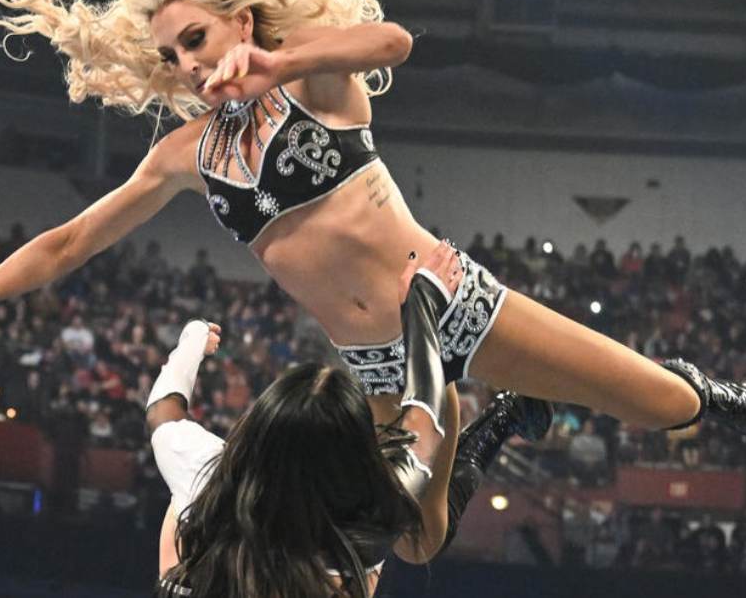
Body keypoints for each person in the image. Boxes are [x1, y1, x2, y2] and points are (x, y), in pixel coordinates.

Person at [0, 0, 746, 541]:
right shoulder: (186, 154)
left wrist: (280, 60)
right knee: (412, 542)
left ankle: (698, 386)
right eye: (172, 56)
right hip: (375, 361)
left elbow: (393, 43)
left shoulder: (310, 85)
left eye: (197, 39)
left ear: (241, 22)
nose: (189, 64)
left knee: (665, 409)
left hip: (450, 301)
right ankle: (492, 426)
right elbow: (68, 242)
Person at [145, 244, 533, 596]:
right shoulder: (371, 514)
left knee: (188, 511)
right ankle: (505, 414)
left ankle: (507, 413)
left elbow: (163, 408)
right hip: (293, 565)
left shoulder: (206, 471)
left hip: (216, 567)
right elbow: (427, 418)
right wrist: (421, 308)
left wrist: (192, 339)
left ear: (260, 427)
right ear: (356, 453)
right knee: (422, 537)